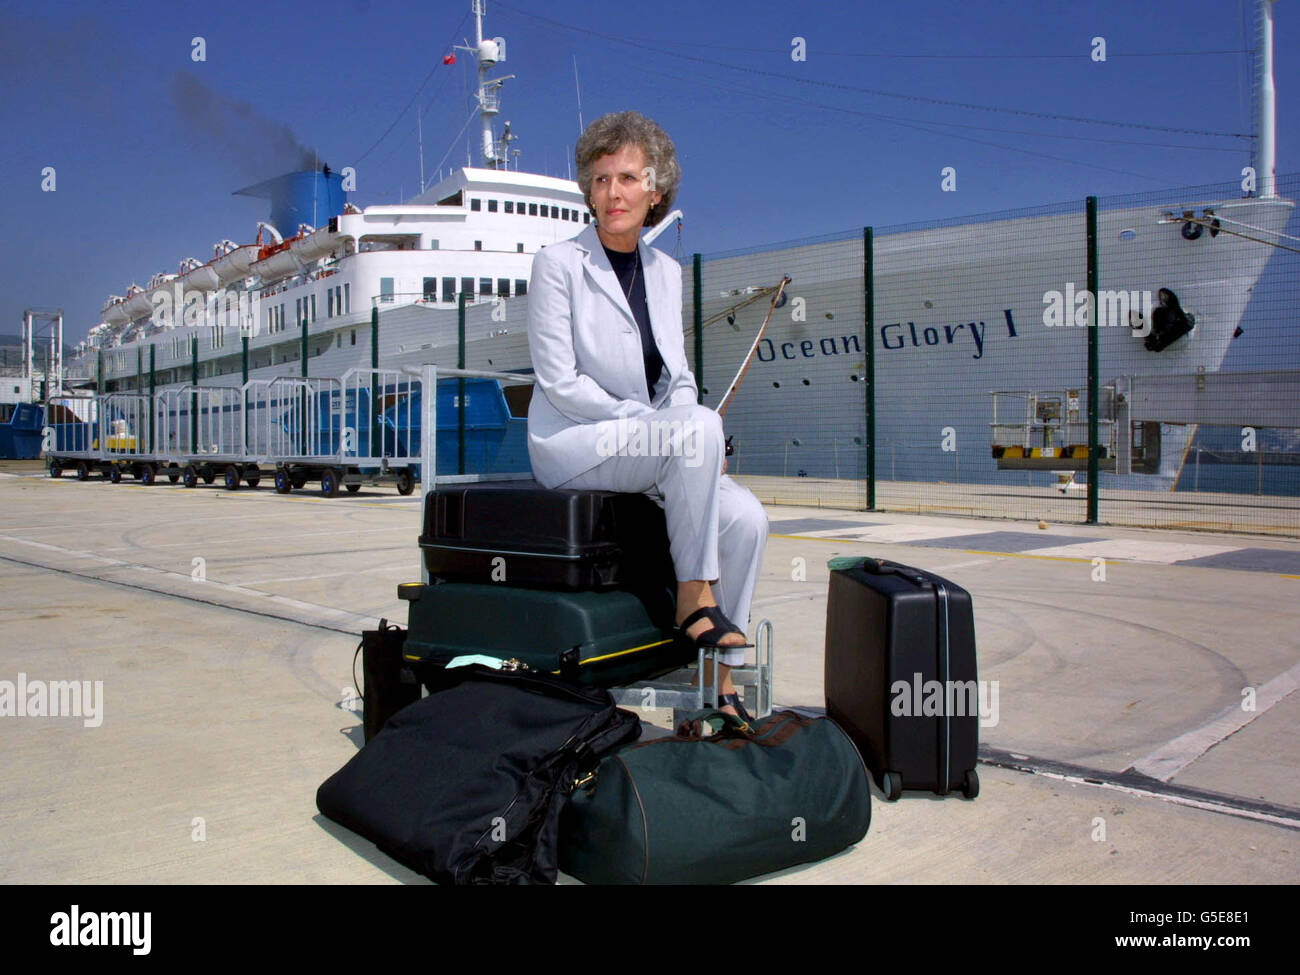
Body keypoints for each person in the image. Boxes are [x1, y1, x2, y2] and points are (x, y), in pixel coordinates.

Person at [525, 110, 767, 721]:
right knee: (697, 430)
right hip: (576, 443)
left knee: (747, 518)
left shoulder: (666, 272)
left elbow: (678, 378)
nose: (613, 193)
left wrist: (688, 432)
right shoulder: (558, 265)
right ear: (588, 190)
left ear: (655, 192)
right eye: (601, 179)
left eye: (628, 178)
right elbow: (560, 383)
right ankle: (694, 599)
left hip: (653, 446)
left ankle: (715, 687)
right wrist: (660, 425)